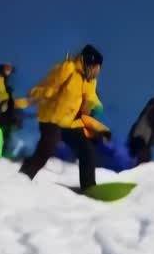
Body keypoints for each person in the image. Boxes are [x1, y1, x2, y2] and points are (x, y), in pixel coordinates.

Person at [19, 45, 104, 190]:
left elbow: (91, 96)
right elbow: (49, 86)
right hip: (51, 119)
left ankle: (89, 187)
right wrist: (37, 95)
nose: (96, 72)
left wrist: (96, 106)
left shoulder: (90, 81)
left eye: (98, 69)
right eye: (95, 67)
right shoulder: (68, 69)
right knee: (45, 152)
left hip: (69, 123)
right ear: (88, 62)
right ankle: (22, 179)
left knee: (87, 148)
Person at [0, 63, 29, 151]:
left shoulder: (4, 85)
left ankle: (1, 147)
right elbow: (3, 94)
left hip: (3, 114)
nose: (9, 71)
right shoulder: (0, 83)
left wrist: (26, 102)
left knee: (5, 131)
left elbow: (11, 102)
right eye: (7, 70)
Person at [126, 91, 154, 165]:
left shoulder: (150, 107)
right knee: (143, 161)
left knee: (136, 160)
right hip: (141, 138)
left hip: (138, 138)